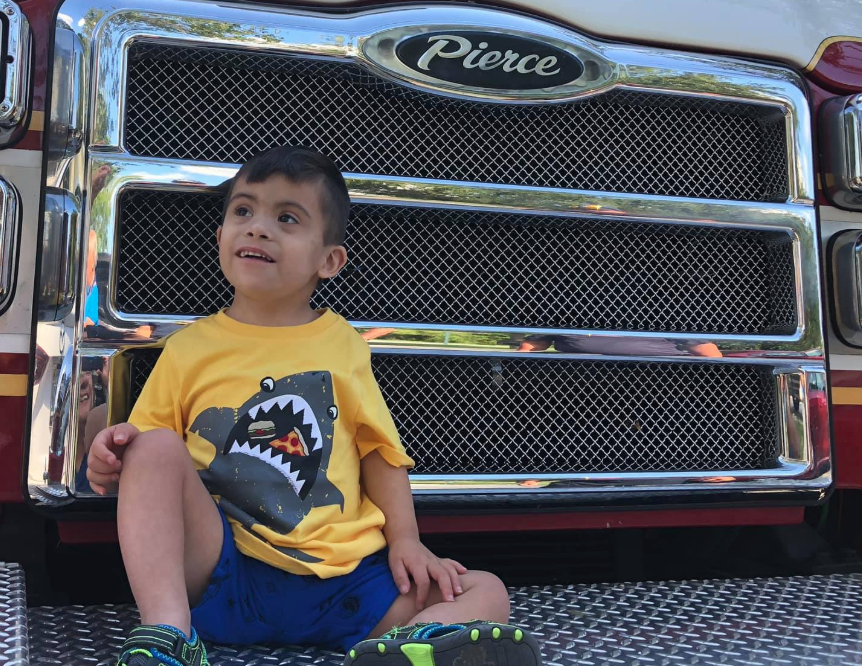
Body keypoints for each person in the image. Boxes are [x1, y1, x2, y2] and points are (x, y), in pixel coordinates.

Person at [87, 146, 540, 666]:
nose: (258, 228)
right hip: (224, 576)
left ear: (329, 261)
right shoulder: (188, 349)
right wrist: (114, 451)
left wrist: (408, 542)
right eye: (243, 211)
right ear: (220, 238)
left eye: (286, 218)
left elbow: (378, 452)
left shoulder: (343, 345)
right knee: (155, 445)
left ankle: (405, 650)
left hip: (350, 584)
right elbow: (149, 461)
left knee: (487, 591)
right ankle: (168, 636)